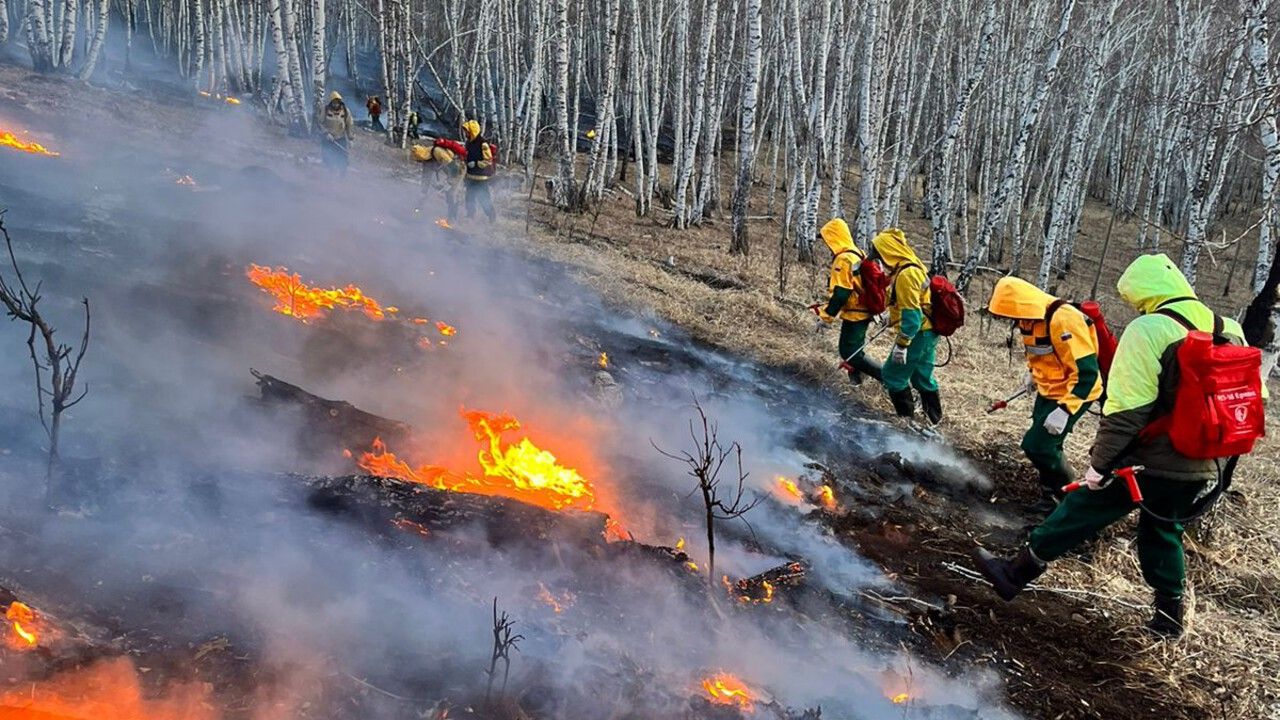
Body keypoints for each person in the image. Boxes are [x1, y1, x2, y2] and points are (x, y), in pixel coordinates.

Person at [972, 254, 1255, 639]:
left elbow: (1126, 410)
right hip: (1203, 460)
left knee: (1078, 511)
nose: (1136, 307)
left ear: (1146, 293)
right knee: (1163, 530)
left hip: (1145, 461)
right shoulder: (1230, 328)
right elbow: (1252, 402)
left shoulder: (1151, 327)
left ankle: (1014, 573)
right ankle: (1169, 618)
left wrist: (1099, 466)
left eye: (1136, 300)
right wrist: (1221, 464)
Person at [987, 277, 1103, 507]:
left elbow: (1087, 375)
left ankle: (1070, 499)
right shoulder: (1029, 320)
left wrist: (1065, 410)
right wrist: (1033, 373)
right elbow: (1041, 351)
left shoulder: (1063, 319)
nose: (1012, 321)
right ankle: (1049, 495)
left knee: (1037, 445)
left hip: (1074, 392)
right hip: (1048, 390)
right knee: (1048, 445)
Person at [870, 228, 941, 424]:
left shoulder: (906, 275)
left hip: (918, 333)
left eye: (879, 255)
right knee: (921, 378)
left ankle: (906, 423)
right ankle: (934, 421)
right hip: (928, 332)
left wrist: (902, 345)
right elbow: (912, 302)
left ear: (888, 252)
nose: (879, 260)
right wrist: (889, 316)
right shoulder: (911, 266)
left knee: (892, 376)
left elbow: (913, 317)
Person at [816, 218, 882, 385]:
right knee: (854, 350)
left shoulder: (843, 259)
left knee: (849, 351)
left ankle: (890, 379)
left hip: (857, 312)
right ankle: (856, 381)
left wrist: (826, 318)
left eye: (827, 240)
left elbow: (841, 293)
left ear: (834, 238)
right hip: (864, 309)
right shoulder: (857, 252)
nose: (827, 245)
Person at [460, 120, 497, 222]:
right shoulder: (469, 143)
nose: (465, 133)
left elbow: (488, 160)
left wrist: (476, 163)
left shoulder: (483, 144)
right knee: (469, 197)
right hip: (470, 176)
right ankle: (470, 216)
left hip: (481, 178)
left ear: (472, 131)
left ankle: (491, 216)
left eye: (467, 131)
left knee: (483, 198)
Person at [318, 91, 354, 173]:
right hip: (328, 139)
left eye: (337, 102)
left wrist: (351, 139)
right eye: (334, 102)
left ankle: (342, 177)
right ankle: (329, 176)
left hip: (340, 138)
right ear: (331, 102)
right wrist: (326, 133)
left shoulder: (345, 111)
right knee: (328, 159)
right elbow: (320, 123)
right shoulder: (325, 110)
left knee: (343, 158)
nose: (336, 104)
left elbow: (349, 125)